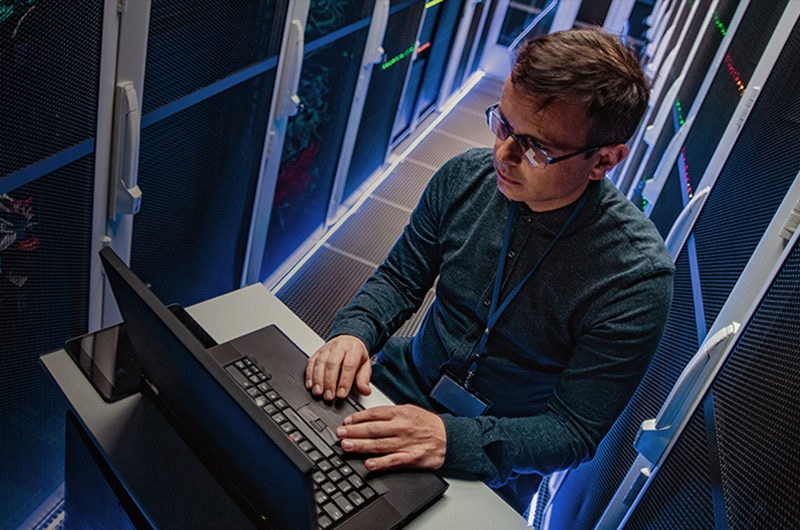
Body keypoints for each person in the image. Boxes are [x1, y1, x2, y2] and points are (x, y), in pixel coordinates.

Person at [305, 27, 674, 514]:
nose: (503, 154)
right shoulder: (463, 177)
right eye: (503, 124)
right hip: (398, 381)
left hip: (499, 451)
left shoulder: (634, 278)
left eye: (536, 149)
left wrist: (449, 439)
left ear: (603, 160)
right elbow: (398, 280)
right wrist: (354, 333)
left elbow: (573, 431)